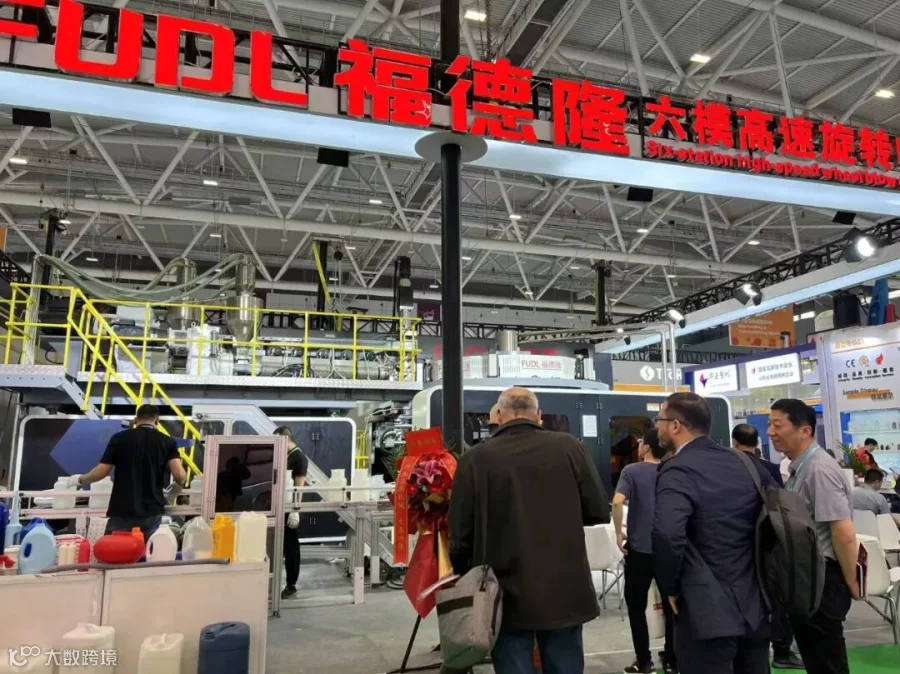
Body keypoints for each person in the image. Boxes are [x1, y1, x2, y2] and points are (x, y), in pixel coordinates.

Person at [449, 387, 609, 674]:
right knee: (565, 663)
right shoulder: (570, 447)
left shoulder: (475, 458)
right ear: (539, 416)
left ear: (498, 416)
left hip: (503, 590)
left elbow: (460, 530)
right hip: (564, 586)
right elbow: (598, 509)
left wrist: (463, 572)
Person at [653, 392, 775, 674]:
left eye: (659, 420)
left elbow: (667, 533)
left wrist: (670, 587)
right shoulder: (746, 464)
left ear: (675, 425)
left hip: (704, 612)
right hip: (754, 606)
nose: (656, 426)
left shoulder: (677, 470)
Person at [768, 399, 860, 674]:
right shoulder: (801, 467)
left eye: (777, 425)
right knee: (816, 659)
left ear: (805, 431)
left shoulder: (819, 470)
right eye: (770, 425)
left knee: (827, 662)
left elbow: (842, 532)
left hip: (824, 579)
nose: (770, 432)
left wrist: (851, 581)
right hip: (808, 578)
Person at [732, 424, 805, 669]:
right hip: (770, 542)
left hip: (741, 546)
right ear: (757, 443)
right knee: (777, 598)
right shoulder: (771, 469)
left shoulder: (730, 469)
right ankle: (782, 649)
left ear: (734, 442)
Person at [69, 404, 185, 542]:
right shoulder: (167, 441)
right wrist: (178, 485)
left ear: (135, 420)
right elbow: (179, 476)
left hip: (122, 509)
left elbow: (101, 472)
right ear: (157, 421)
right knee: (149, 551)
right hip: (152, 510)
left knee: (120, 551)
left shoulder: (119, 438)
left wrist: (80, 480)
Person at [613, 428, 676, 674]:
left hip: (639, 550)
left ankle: (644, 661)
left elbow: (618, 501)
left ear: (647, 447)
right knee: (672, 606)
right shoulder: (671, 470)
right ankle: (671, 659)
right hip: (667, 549)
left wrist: (619, 532)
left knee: (636, 607)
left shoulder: (631, 471)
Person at [275, 426, 309, 600]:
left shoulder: (298, 457)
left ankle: (291, 584)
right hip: (280, 506)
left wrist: (296, 510)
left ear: (285, 439)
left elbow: (299, 485)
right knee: (280, 546)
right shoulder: (286, 455)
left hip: (290, 508)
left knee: (291, 548)